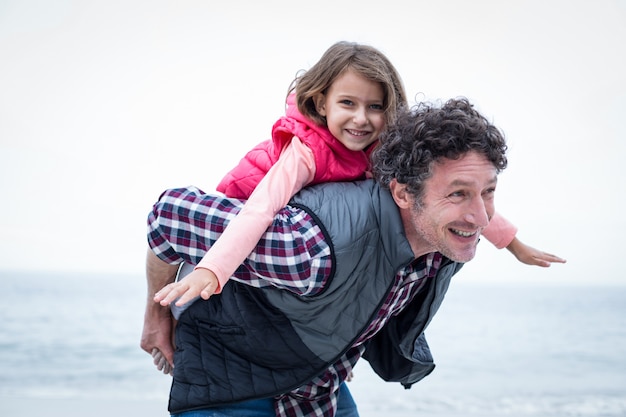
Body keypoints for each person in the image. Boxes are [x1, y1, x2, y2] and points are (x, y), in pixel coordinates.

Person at [140, 97, 545, 417]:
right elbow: (169, 215)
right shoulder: (311, 246)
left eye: (487, 191)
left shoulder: (441, 239)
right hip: (232, 388)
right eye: (458, 193)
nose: (480, 215)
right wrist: (156, 316)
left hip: (317, 389)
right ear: (403, 193)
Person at [152, 41, 565, 324]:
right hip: (234, 224)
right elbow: (259, 210)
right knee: (201, 299)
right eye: (347, 104)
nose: (362, 119)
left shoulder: (378, 150)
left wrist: (512, 244)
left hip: (266, 245)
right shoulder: (306, 151)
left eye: (375, 106)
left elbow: (448, 196)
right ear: (321, 102)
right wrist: (212, 269)